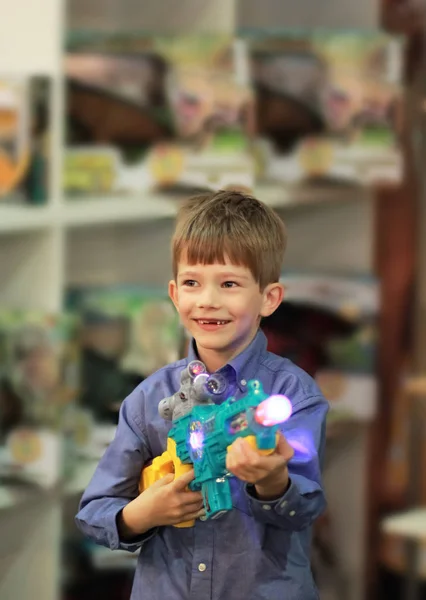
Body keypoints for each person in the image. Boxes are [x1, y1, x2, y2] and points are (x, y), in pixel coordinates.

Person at [75, 189, 329, 600]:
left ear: (269, 298)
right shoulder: (149, 398)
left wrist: (272, 481)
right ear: (175, 294)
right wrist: (143, 514)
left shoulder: (292, 395)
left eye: (229, 283)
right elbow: (94, 512)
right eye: (193, 282)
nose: (208, 301)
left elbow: (306, 507)